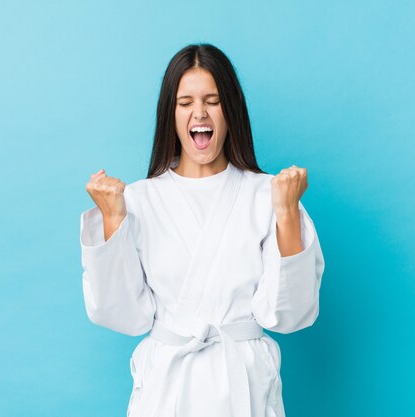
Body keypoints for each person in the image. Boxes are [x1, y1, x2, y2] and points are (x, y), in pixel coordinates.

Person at [80, 43, 325, 417]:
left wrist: (287, 213)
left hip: (243, 386)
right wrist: (114, 218)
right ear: (171, 114)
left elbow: (289, 316)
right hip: (167, 391)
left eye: (213, 100)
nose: (200, 112)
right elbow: (125, 316)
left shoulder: (268, 194)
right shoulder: (139, 199)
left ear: (231, 110)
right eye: (185, 102)